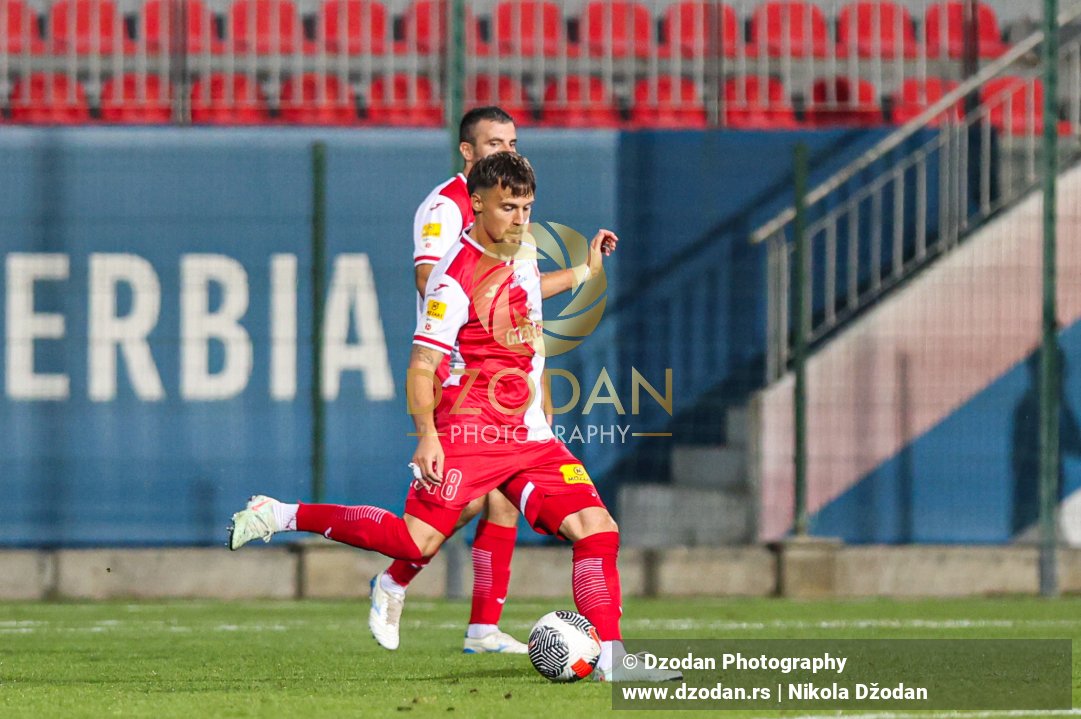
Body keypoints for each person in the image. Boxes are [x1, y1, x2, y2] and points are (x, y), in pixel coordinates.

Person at [228, 152, 680, 683]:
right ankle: (282, 514)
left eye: (527, 207)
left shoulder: (523, 249)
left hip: (530, 437)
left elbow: (532, 289)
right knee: (413, 542)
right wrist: (427, 436)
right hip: (471, 431)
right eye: (508, 207)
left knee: (597, 530)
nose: (520, 218)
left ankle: (610, 658)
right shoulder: (454, 278)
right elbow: (422, 364)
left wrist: (585, 270)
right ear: (478, 203)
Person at [370, 106, 610, 655]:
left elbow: (521, 284)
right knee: (457, 507)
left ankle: (480, 628)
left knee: (502, 502)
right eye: (495, 143)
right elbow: (432, 277)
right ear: (468, 152)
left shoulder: (513, 214)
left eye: (513, 141)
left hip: (509, 370)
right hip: (461, 367)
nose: (507, 151)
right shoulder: (445, 207)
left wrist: (581, 274)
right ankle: (394, 580)